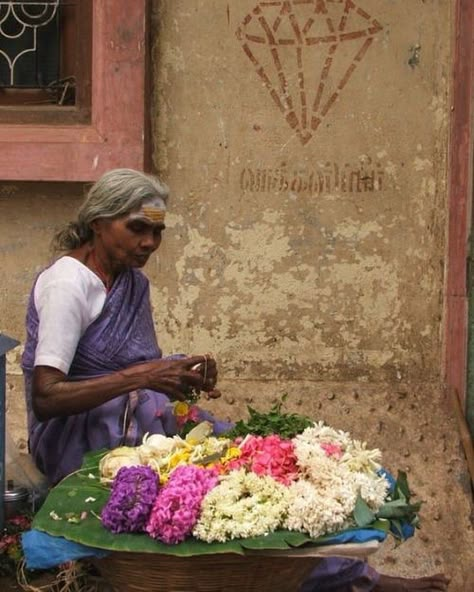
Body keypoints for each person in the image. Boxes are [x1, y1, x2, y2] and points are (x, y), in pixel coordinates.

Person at [21, 169, 449, 592]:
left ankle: (353, 575)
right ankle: (356, 583)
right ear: (98, 223)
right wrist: (147, 375)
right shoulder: (67, 283)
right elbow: (47, 396)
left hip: (138, 425)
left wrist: (179, 378)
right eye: (137, 229)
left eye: (158, 231)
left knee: (263, 464)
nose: (149, 242)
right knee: (212, 494)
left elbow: (137, 368)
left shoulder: (133, 283)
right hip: (79, 441)